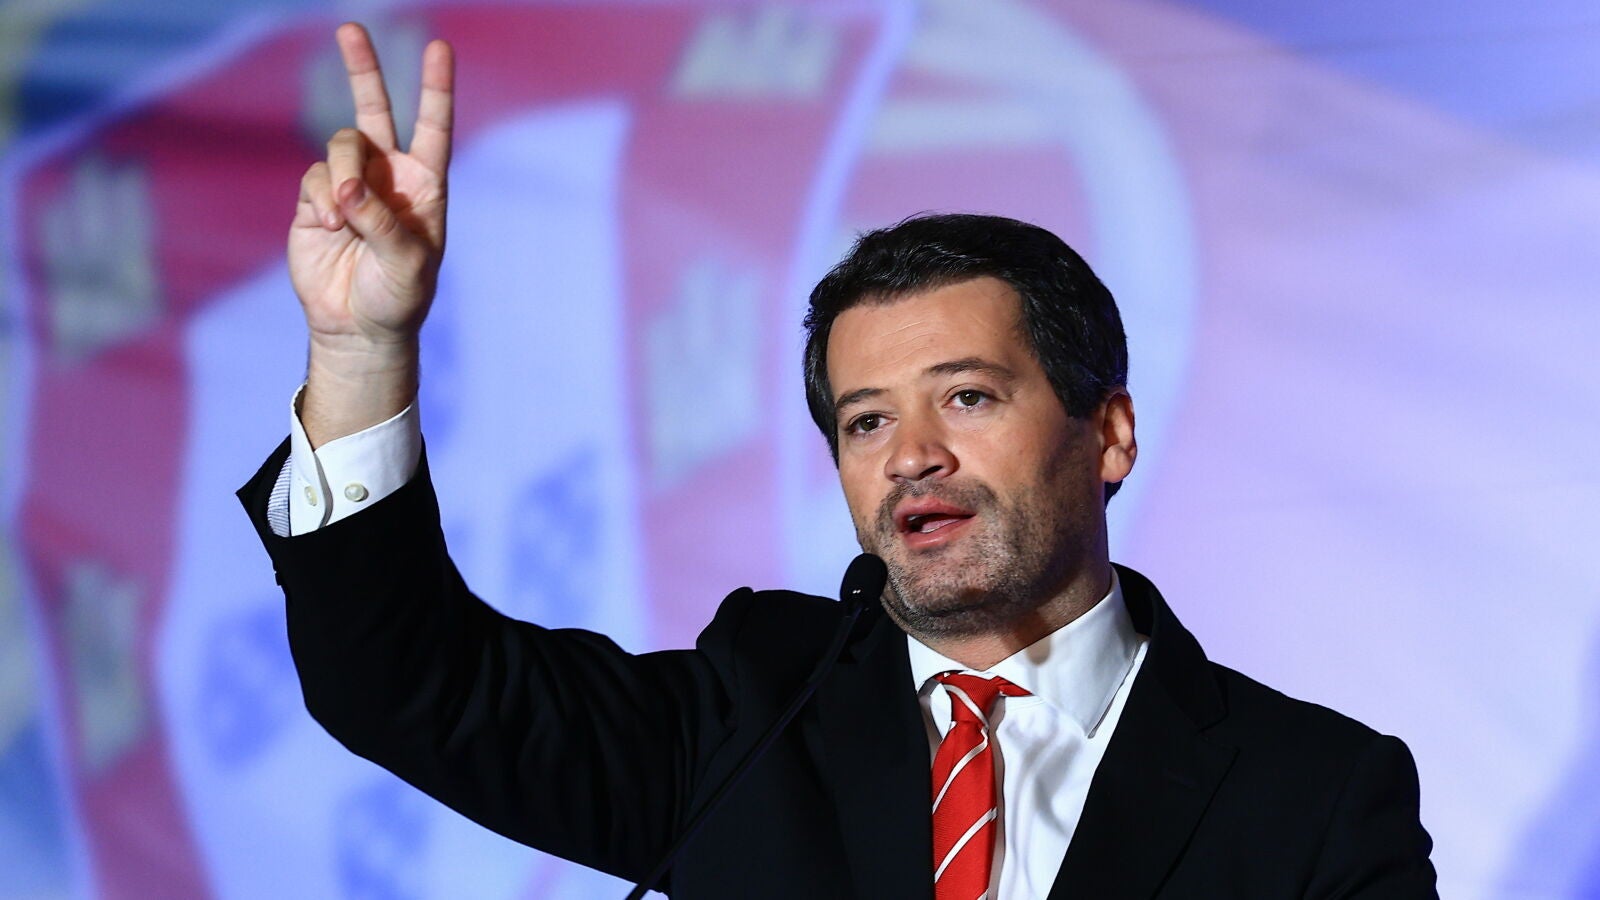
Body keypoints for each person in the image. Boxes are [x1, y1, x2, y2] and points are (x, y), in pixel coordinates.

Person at [239, 23, 1438, 899]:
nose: (911, 455)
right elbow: (403, 683)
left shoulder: (1313, 795)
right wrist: (361, 347)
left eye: (966, 397)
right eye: (865, 422)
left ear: (1108, 432)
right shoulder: (752, 718)